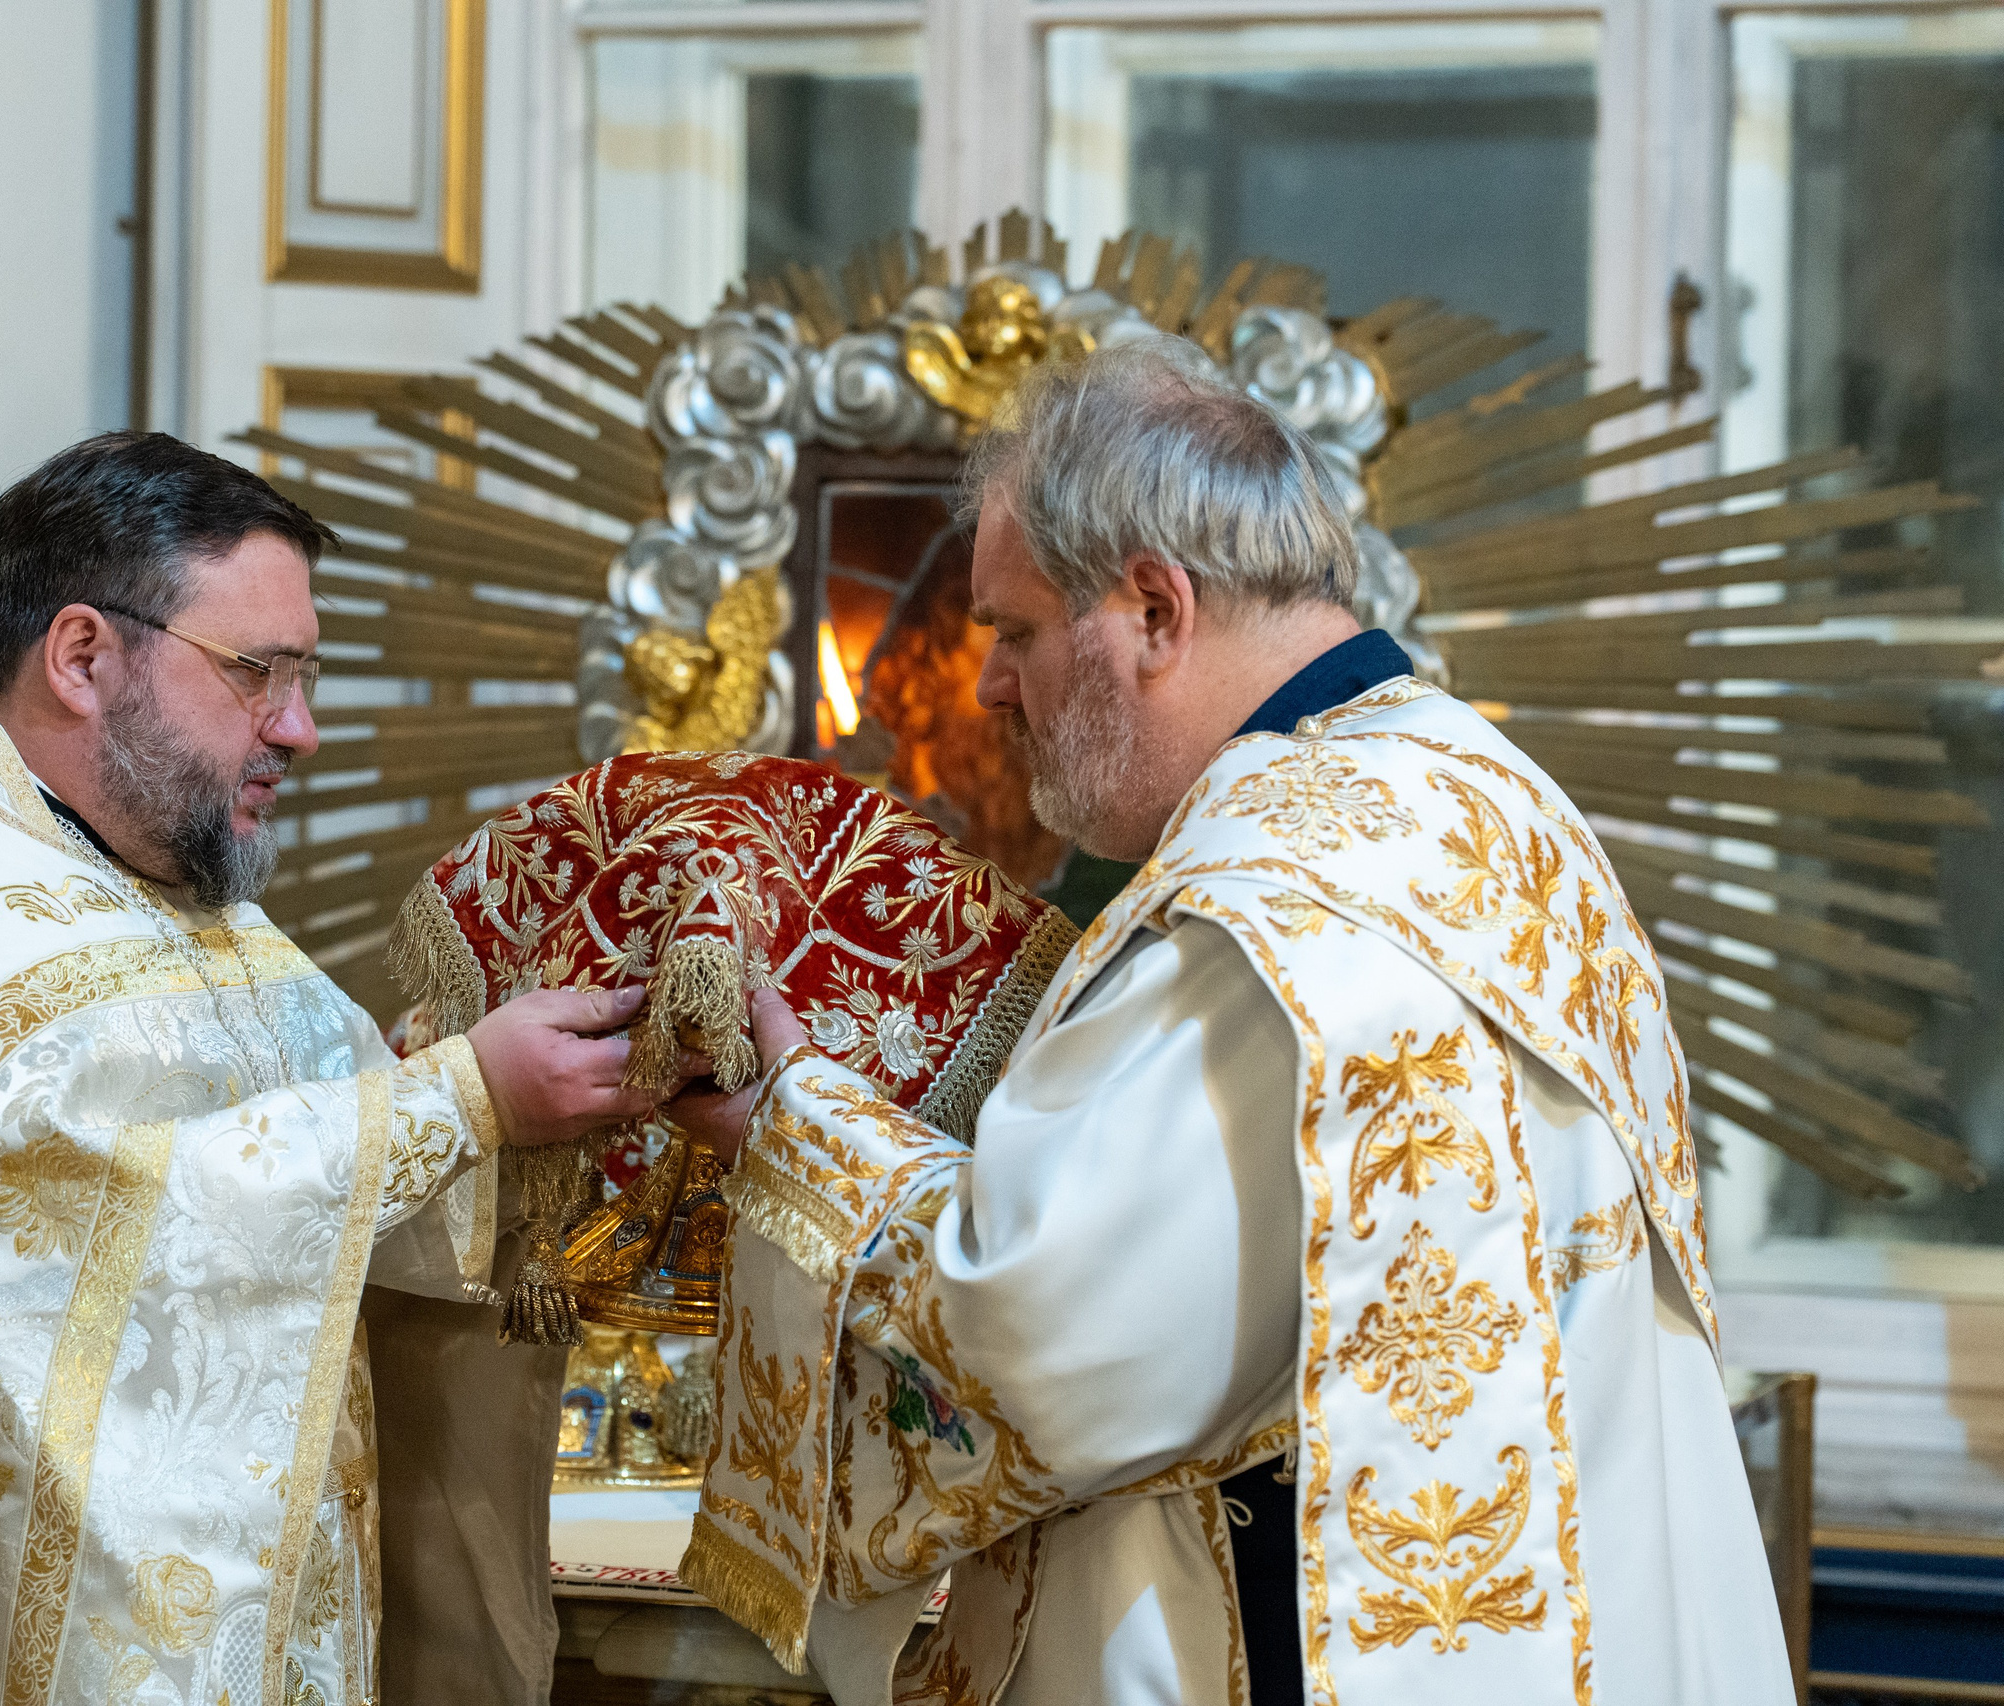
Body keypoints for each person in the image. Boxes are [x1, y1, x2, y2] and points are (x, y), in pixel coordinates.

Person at [668, 344, 1793, 1705]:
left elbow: (1041, 1336)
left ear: (1152, 606)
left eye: (1014, 631)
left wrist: (795, 1119)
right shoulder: (1487, 802)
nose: (990, 690)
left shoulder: (1272, 918)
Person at [0, 433, 644, 1706]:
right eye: (257, 673)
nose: (301, 728)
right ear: (81, 655)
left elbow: (335, 1173)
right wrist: (461, 1098)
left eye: (305, 674)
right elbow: (118, 1217)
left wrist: (532, 1092)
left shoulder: (172, 899)